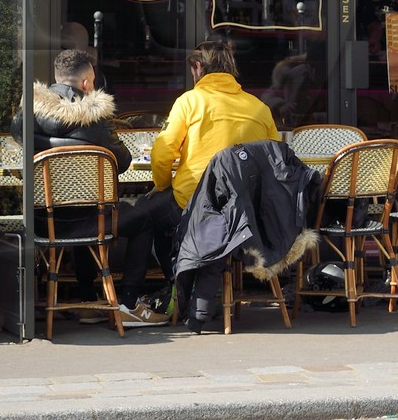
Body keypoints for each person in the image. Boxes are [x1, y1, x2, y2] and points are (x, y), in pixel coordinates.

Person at [115, 39, 278, 326]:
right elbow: (274, 158)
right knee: (164, 219)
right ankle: (181, 290)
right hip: (243, 214)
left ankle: (130, 302)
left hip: (195, 203)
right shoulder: (258, 107)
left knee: (144, 213)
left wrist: (162, 184)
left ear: (198, 67)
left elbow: (163, 152)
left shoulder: (190, 102)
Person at [11, 47, 132, 318]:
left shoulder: (27, 112)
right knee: (140, 217)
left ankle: (69, 296)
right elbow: (122, 162)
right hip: (93, 220)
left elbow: (17, 140)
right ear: (87, 83)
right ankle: (127, 301)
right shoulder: (97, 119)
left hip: (42, 219)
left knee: (76, 210)